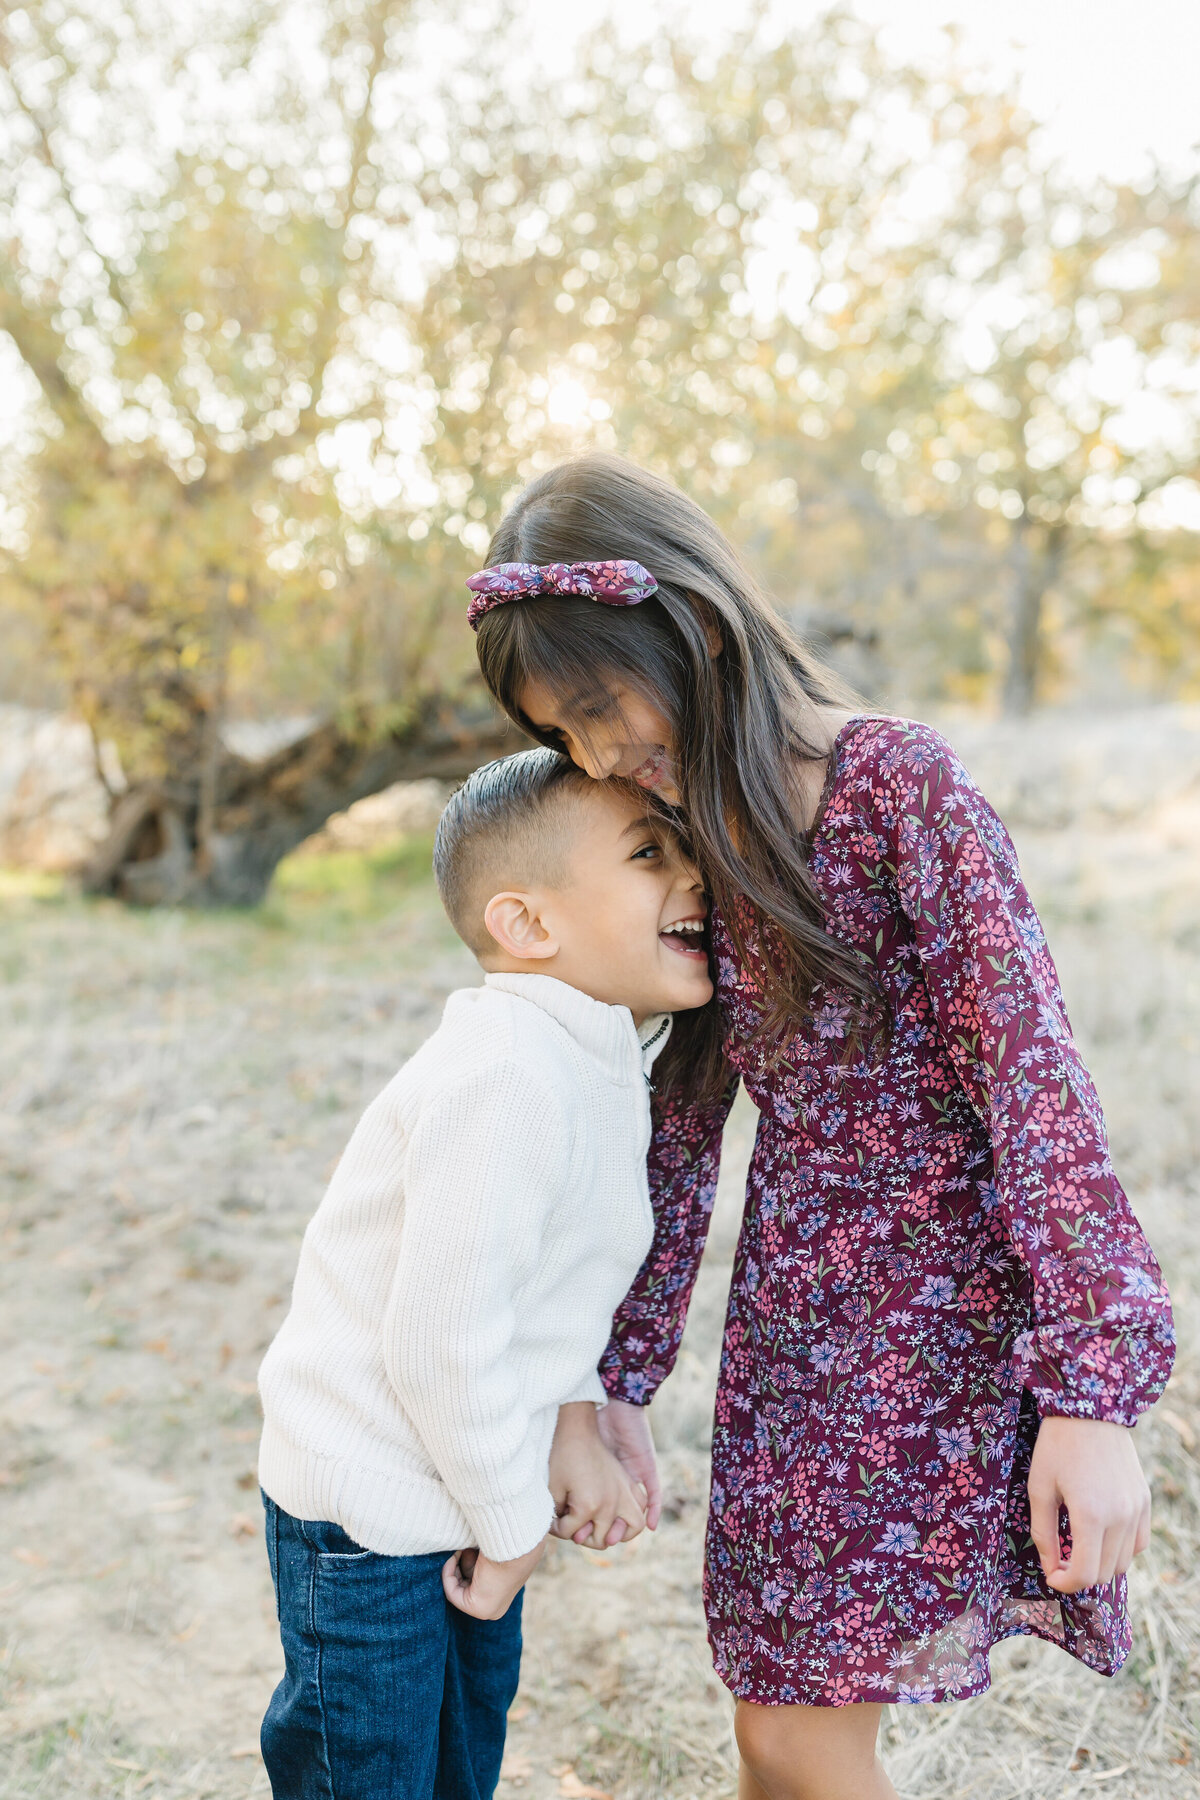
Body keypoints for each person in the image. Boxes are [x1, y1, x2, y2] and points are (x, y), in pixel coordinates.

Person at [466, 454, 1176, 1800]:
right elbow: (681, 1121)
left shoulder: (902, 790)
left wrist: (1094, 1397)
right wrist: (613, 1377)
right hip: (795, 1338)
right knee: (770, 1720)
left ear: (700, 626)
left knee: (801, 1733)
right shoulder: (687, 839)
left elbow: (1037, 1088)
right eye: (565, 736)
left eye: (603, 706)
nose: (600, 755)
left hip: (938, 1334)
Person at [255, 744, 714, 1799]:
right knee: (370, 1778)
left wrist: (580, 1421)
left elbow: (546, 1300)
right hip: (369, 1519)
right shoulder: (506, 1074)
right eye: (652, 852)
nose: (693, 876)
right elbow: (440, 1342)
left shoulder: (592, 1058)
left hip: (457, 1488)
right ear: (528, 925)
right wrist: (513, 1531)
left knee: (459, 1768)